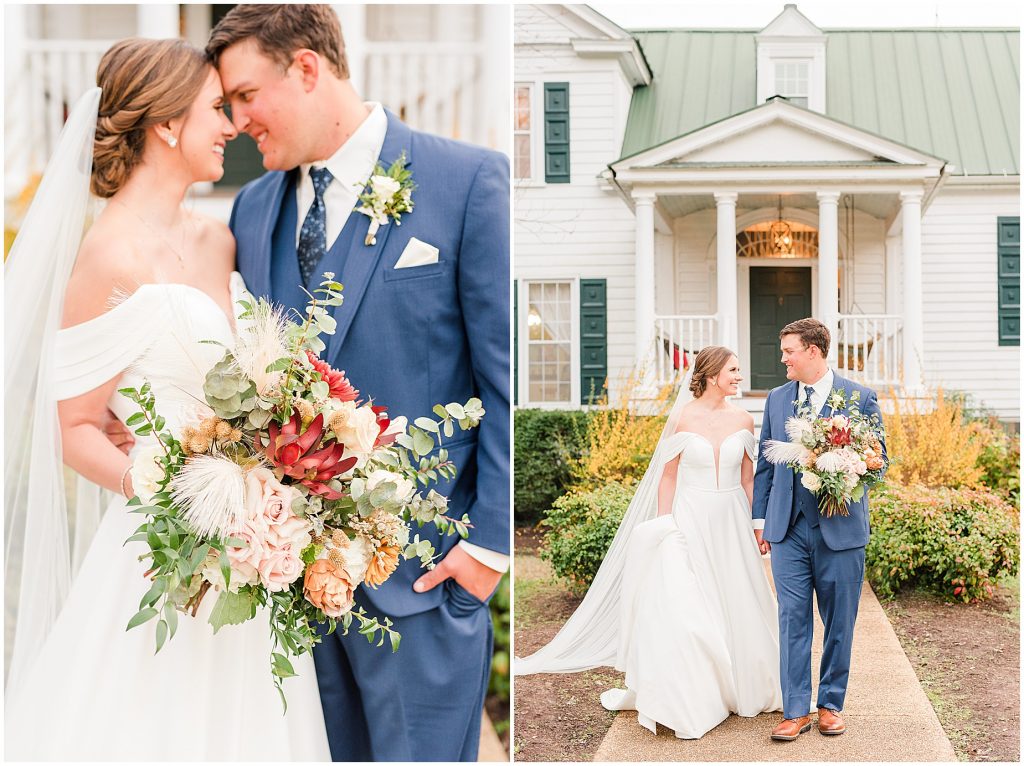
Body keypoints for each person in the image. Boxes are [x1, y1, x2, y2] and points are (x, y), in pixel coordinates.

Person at [4, 39, 330, 759]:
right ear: (166, 125)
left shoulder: (220, 239)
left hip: (257, 549)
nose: (231, 126)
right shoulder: (107, 260)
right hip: (164, 551)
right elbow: (77, 426)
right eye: (217, 108)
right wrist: (164, 488)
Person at [205, 5, 510, 761]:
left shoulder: (467, 181)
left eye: (246, 96)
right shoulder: (250, 211)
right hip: (291, 600)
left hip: (425, 582)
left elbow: (504, 380)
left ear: (306, 68)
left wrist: (488, 548)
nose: (239, 120)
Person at [515, 346, 782, 739]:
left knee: (740, 595)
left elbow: (749, 478)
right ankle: (699, 688)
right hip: (689, 517)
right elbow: (669, 476)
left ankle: (746, 683)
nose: (740, 376)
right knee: (691, 601)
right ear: (711, 374)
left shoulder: (743, 418)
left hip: (731, 519)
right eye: (734, 370)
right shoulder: (683, 418)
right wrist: (665, 523)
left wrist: (757, 524)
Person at [753, 317, 886, 741]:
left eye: (789, 351)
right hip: (787, 529)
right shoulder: (776, 399)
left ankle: (830, 705)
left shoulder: (858, 397)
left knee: (839, 621)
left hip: (840, 530)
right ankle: (795, 709)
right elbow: (765, 466)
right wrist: (761, 520)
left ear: (813, 351)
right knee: (792, 619)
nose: (783, 359)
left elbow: (880, 462)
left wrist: (851, 466)